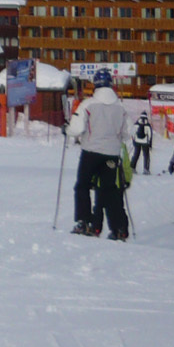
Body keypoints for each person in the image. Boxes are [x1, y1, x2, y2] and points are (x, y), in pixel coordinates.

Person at [67, 69, 132, 238]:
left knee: (83, 186)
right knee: (109, 190)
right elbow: (126, 133)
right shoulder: (120, 107)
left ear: (95, 84)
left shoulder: (88, 104)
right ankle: (118, 229)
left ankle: (84, 222)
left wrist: (67, 130)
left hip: (91, 151)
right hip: (112, 154)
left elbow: (77, 129)